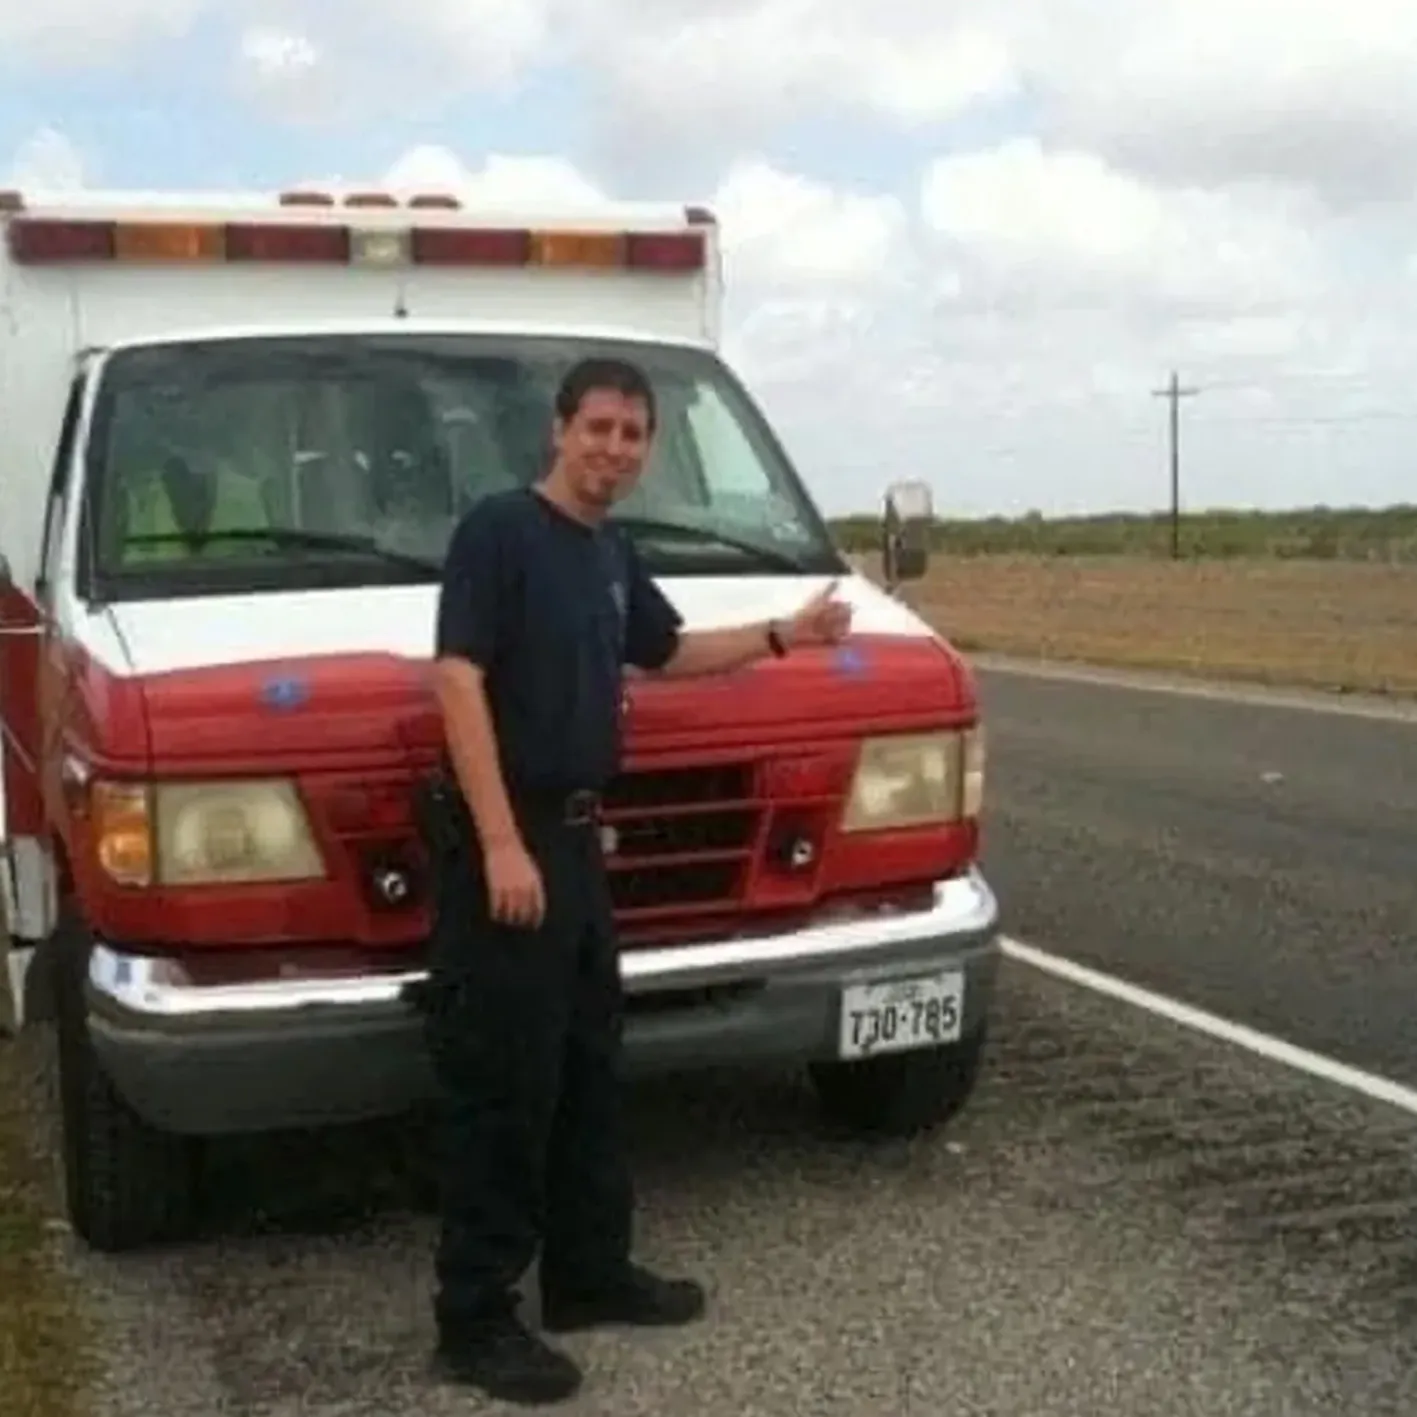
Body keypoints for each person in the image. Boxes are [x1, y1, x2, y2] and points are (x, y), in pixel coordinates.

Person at [425, 354, 852, 1405]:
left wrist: (780, 637)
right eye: (598, 427)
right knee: (507, 1087)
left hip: (575, 845)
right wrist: (498, 844)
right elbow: (456, 677)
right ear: (560, 430)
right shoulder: (498, 533)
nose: (614, 447)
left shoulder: (607, 552)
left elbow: (662, 651)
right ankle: (474, 1317)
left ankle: (586, 1272)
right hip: (512, 844)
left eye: (632, 433)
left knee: (584, 1068)